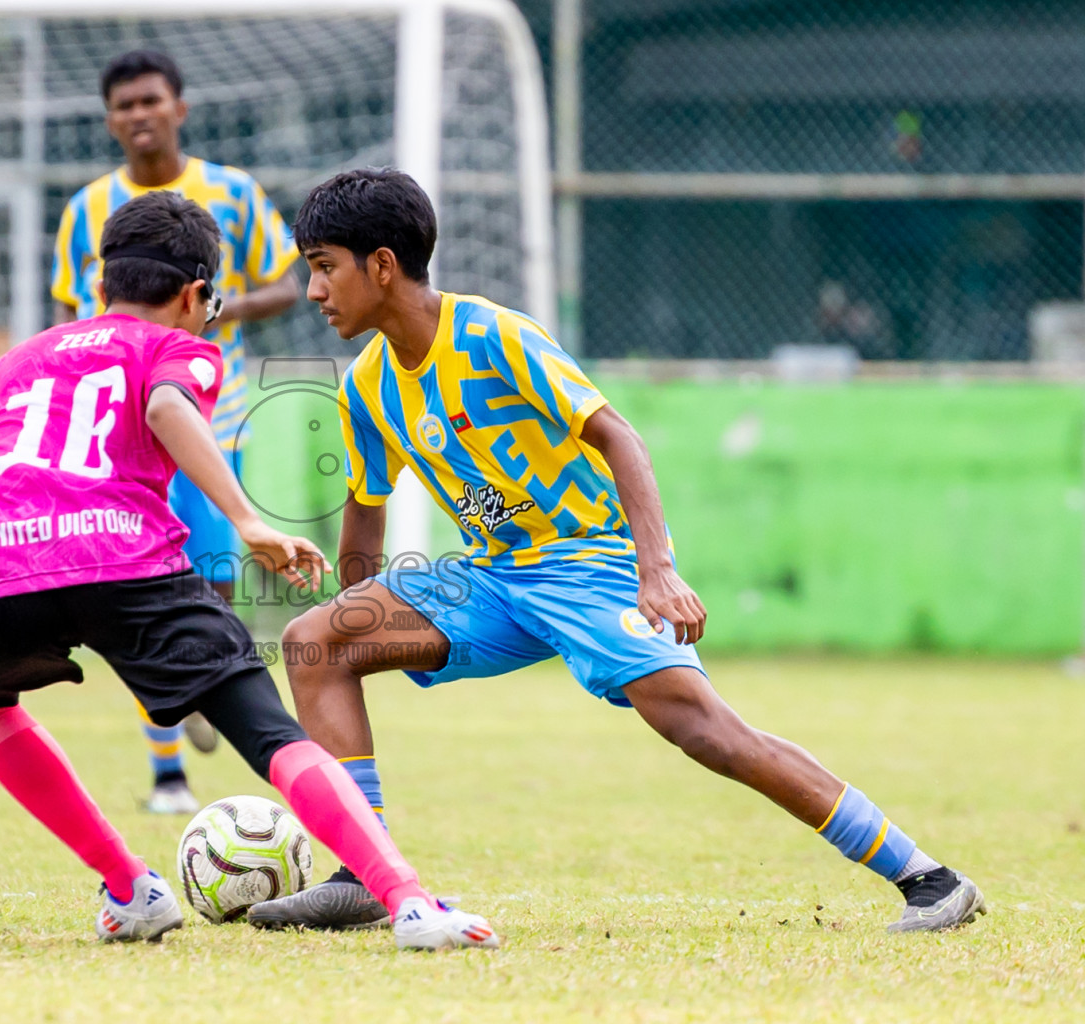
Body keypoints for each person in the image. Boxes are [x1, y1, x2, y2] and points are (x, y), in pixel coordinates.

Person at [247, 169, 986, 936]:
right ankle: (367, 874)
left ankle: (927, 877)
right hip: (493, 578)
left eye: (324, 265)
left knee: (705, 730)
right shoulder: (367, 385)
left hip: (586, 564)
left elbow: (618, 436)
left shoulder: (492, 336)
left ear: (382, 266)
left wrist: (655, 567)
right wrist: (350, 606)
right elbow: (365, 518)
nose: (313, 291)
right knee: (313, 644)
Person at [0, 191, 498, 950]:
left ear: (101, 285)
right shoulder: (178, 348)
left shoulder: (11, 365)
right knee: (268, 732)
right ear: (196, 296)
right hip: (128, 569)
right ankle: (410, 904)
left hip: (4, 579)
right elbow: (165, 408)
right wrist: (249, 520)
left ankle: (131, 890)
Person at [52, 49, 303, 814]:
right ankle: (167, 775)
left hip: (210, 416)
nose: (139, 115)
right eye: (124, 105)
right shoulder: (86, 210)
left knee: (212, 589)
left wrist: (213, 312)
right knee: (135, 587)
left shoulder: (230, 192)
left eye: (151, 101)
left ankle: (197, 688)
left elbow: (288, 283)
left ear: (179, 108)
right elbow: (73, 313)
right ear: (110, 119)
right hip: (121, 429)